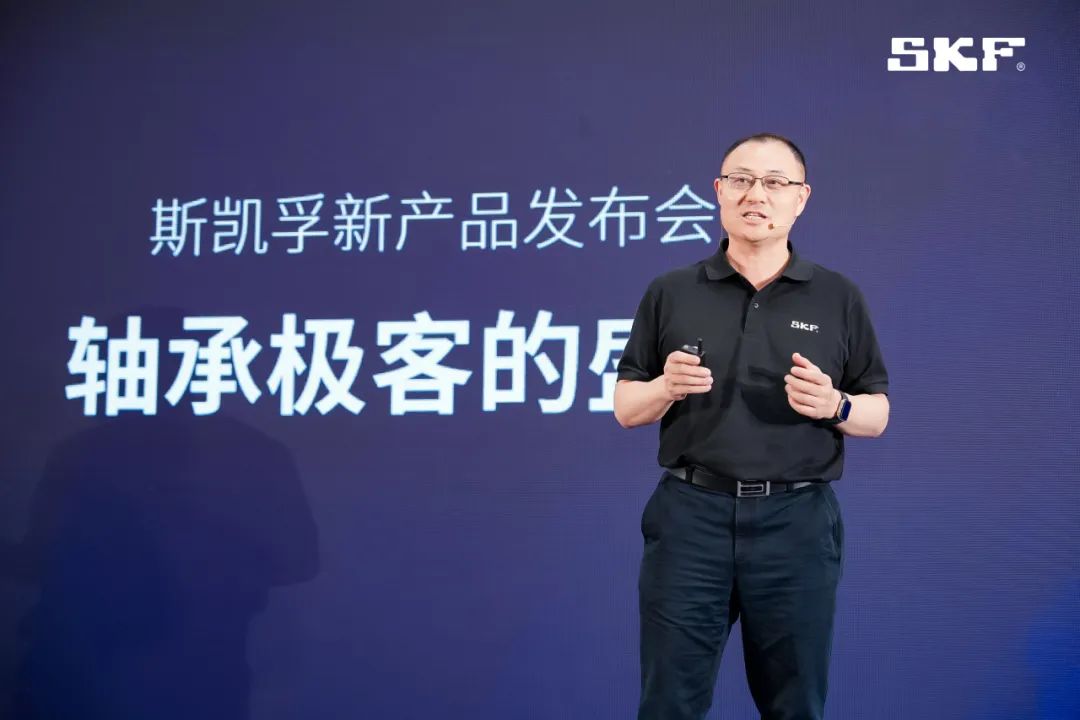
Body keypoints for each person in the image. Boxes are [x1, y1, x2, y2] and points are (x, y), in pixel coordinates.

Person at [614, 133, 890, 720]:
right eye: (740, 180)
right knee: (668, 702)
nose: (755, 195)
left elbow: (877, 413)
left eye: (774, 182)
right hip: (691, 517)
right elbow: (626, 406)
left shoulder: (837, 296)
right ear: (719, 191)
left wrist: (835, 405)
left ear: (801, 198)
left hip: (796, 520)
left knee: (796, 704)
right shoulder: (671, 291)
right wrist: (666, 386)